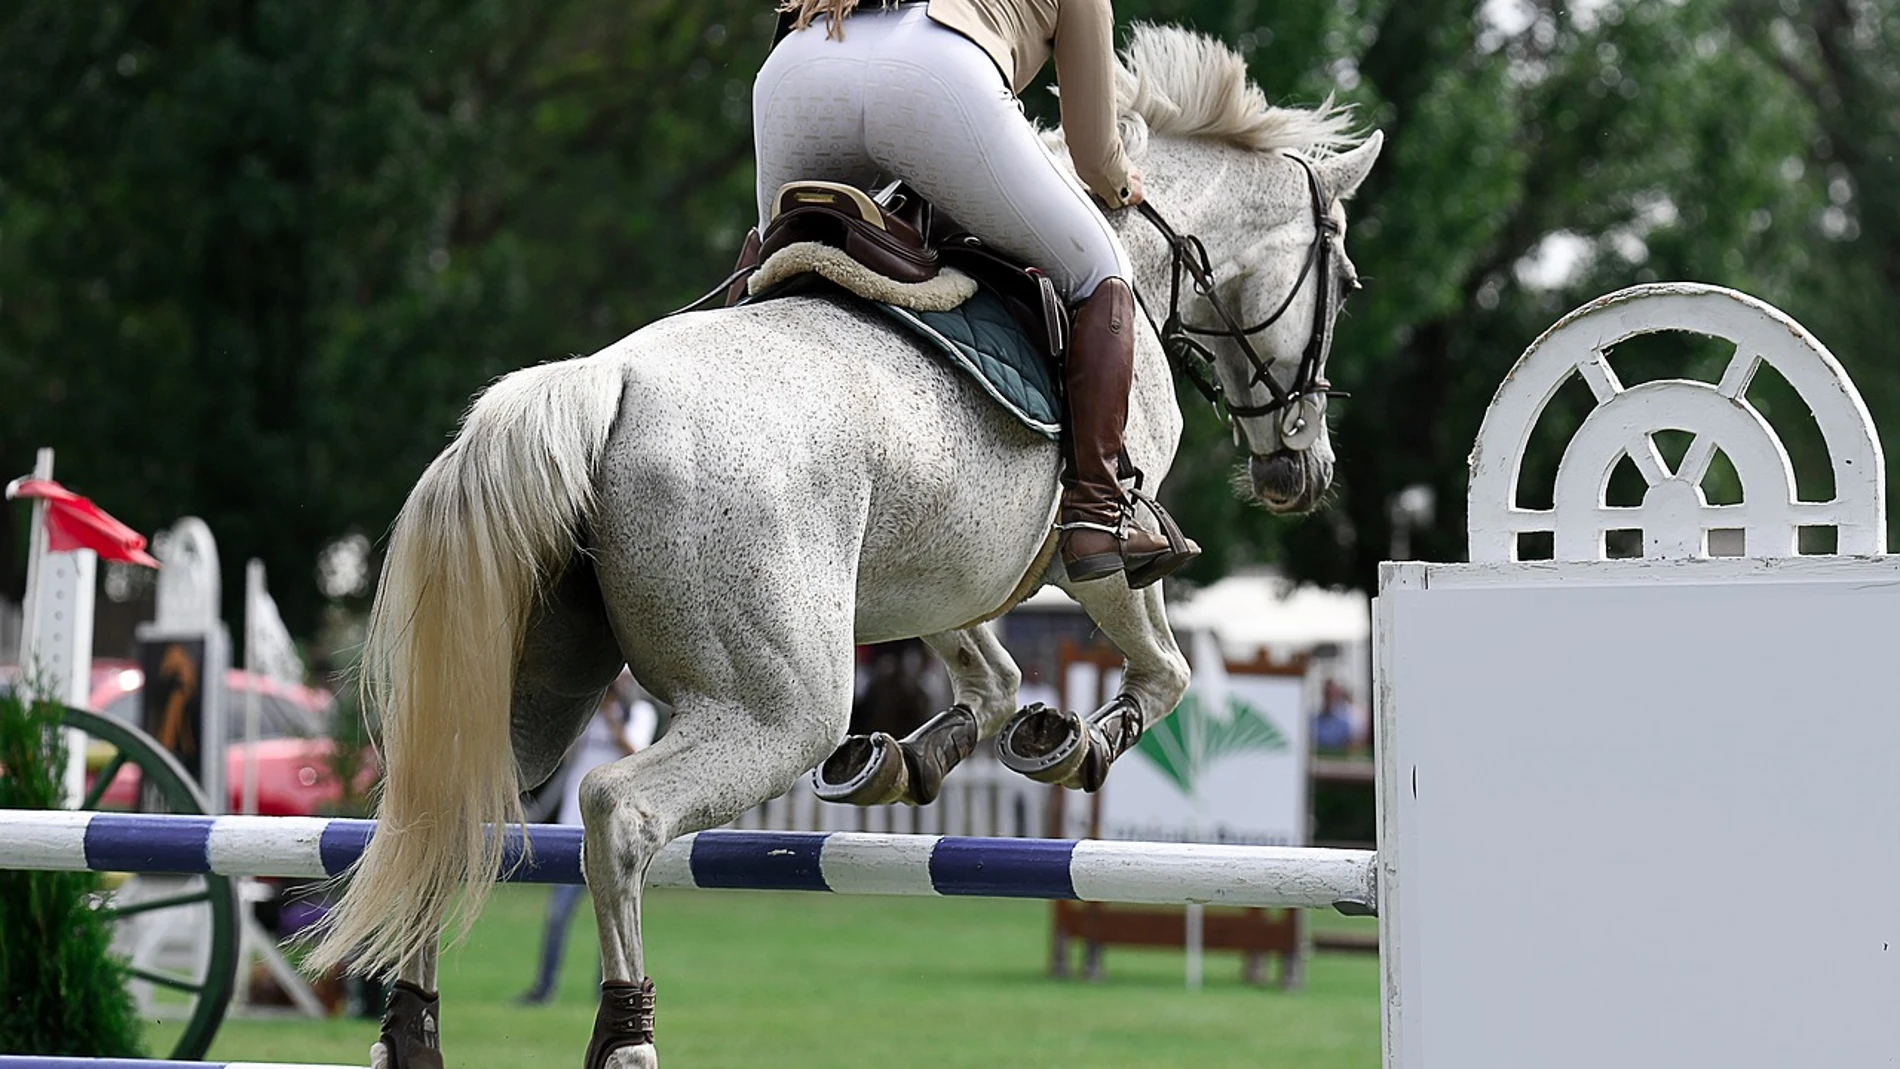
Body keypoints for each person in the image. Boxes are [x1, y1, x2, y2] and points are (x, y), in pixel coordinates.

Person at [741, 0, 1197, 586]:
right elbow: (1092, 149)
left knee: (774, 257)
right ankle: (1097, 514)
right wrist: (1119, 180)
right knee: (1102, 270)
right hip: (933, 75)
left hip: (800, 68)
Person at [517, 673, 657, 1005]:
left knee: (613, 923)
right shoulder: (588, 718)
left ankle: (608, 990)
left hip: (614, 836)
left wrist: (611, 717)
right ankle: (544, 987)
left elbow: (636, 755)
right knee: (557, 915)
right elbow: (560, 757)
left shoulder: (640, 714)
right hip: (571, 831)